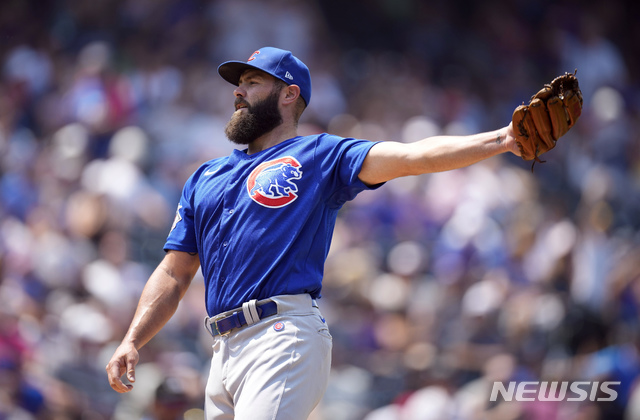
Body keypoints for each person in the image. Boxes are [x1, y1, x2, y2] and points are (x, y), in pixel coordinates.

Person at [106, 46, 521, 419]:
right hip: (221, 350)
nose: (238, 91)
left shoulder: (319, 154)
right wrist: (133, 339)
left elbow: (412, 157)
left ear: (289, 94)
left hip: (281, 335)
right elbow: (175, 272)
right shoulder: (205, 176)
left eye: (253, 82)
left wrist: (501, 138)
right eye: (238, 84)